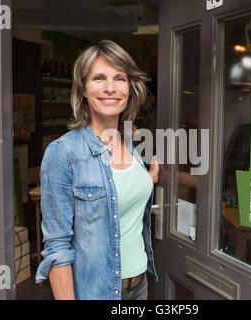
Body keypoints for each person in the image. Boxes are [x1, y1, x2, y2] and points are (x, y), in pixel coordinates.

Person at [35, 40, 159, 300]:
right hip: (98, 292)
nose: (110, 88)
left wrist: (145, 181)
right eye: (99, 78)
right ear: (83, 89)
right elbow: (57, 248)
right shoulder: (63, 153)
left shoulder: (129, 143)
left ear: (130, 88)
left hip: (140, 286)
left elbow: (118, 196)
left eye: (120, 78)